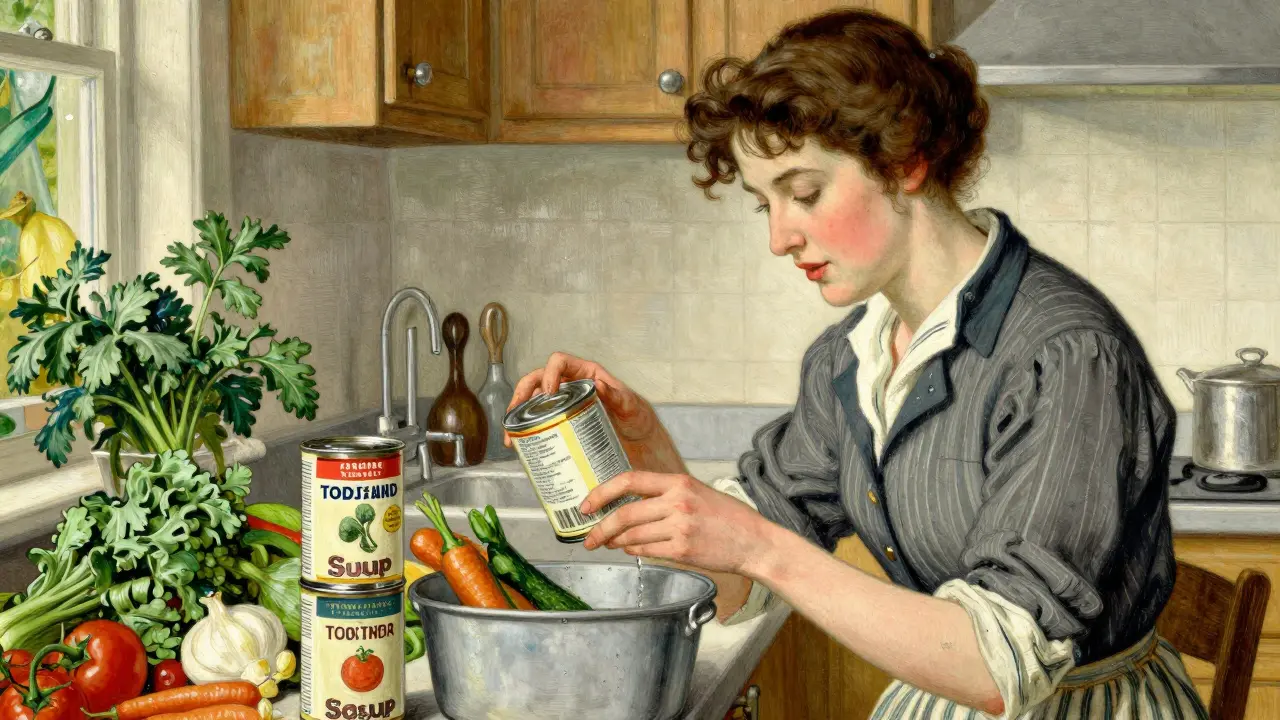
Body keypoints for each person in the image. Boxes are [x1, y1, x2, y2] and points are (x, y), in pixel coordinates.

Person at [506, 8, 1207, 718]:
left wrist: (759, 547)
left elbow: (998, 669)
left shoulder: (1064, 355)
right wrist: (651, 467)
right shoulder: (852, 357)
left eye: (804, 193)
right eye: (765, 205)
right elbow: (737, 585)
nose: (781, 237)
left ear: (905, 161)